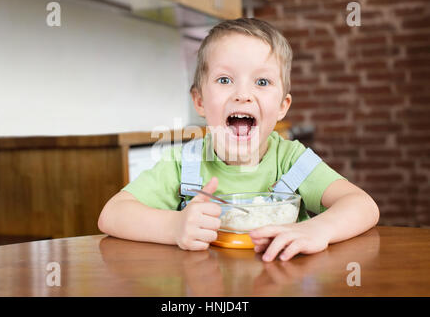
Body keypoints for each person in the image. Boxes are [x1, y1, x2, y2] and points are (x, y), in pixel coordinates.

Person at [98, 18, 379, 262]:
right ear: (199, 100)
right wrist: (174, 227)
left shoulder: (292, 161)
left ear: (283, 105)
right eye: (224, 80)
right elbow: (112, 214)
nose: (242, 94)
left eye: (262, 82)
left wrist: (319, 230)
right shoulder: (182, 165)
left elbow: (362, 205)